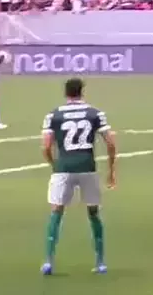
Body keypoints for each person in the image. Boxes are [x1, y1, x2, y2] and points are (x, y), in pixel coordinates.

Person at [40, 77, 117, 276]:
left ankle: (48, 261)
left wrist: (54, 164)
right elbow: (110, 142)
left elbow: (46, 146)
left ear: (66, 93)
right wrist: (111, 171)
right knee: (93, 213)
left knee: (56, 211)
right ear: (82, 92)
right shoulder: (95, 113)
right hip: (87, 167)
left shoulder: (53, 115)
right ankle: (100, 262)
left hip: (63, 168)